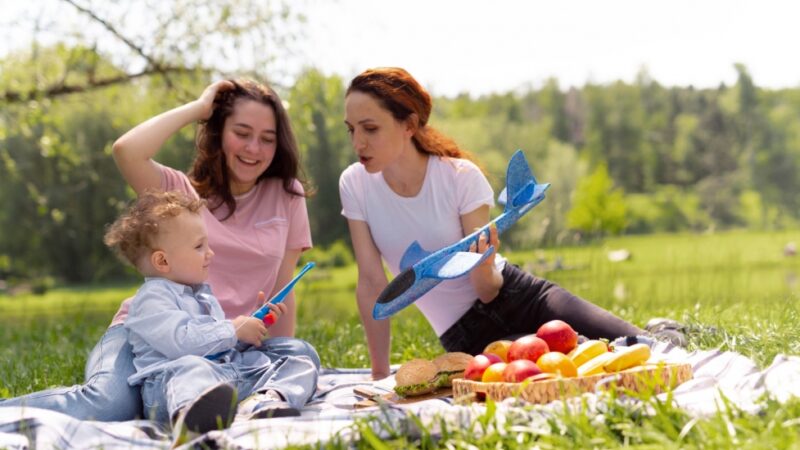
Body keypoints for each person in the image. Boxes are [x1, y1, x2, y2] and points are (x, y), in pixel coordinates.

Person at [0, 79, 319, 420]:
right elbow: (127, 150)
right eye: (241, 133)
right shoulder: (178, 197)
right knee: (110, 405)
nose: (254, 148)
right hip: (147, 336)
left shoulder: (287, 194)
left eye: (267, 139)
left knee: (299, 354)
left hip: (225, 348)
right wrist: (199, 108)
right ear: (218, 133)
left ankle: (214, 402)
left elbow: (284, 289)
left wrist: (272, 353)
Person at [339, 67, 646, 380]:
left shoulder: (459, 176)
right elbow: (371, 284)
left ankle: (666, 330)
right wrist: (379, 375)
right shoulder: (355, 185)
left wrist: (483, 265)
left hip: (519, 295)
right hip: (468, 336)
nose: (358, 142)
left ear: (410, 125)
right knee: (574, 366)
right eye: (351, 130)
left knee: (641, 345)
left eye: (370, 129)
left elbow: (487, 291)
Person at [105, 190, 317, 440]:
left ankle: (264, 400)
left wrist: (251, 327)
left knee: (298, 354)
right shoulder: (152, 298)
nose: (210, 253)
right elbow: (181, 343)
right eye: (199, 246)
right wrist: (233, 329)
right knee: (191, 367)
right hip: (170, 388)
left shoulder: (201, 294)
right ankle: (190, 417)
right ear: (162, 261)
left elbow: (216, 346)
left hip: (224, 375)